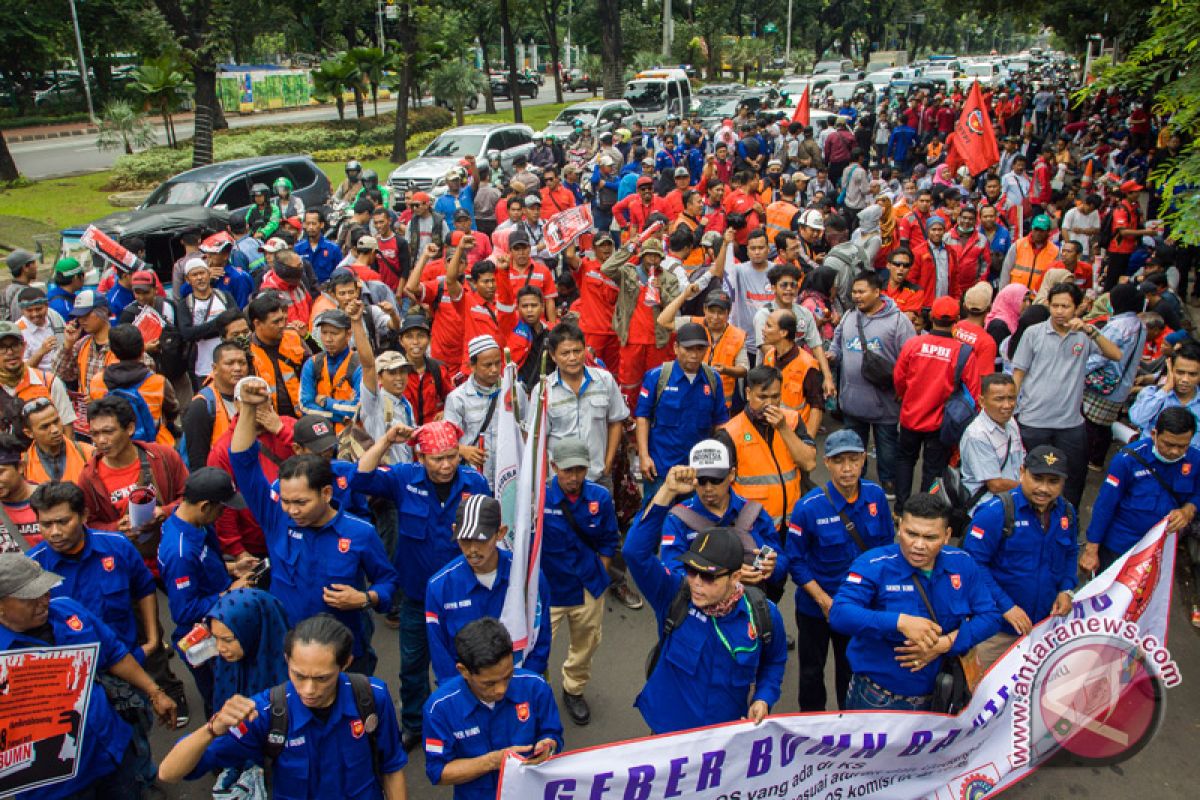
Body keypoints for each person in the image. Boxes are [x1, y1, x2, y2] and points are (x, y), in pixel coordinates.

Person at [230, 377, 398, 676]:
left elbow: (387, 583)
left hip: (347, 655)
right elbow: (243, 461)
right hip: (290, 653)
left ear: (326, 494)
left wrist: (365, 599)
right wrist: (246, 408)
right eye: (286, 501)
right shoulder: (275, 517)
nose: (292, 511)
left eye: (301, 503)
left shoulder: (360, 533)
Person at [158, 614, 410, 799]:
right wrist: (212, 729)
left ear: (345, 663)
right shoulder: (264, 713)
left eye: (322, 678)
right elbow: (169, 773)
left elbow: (391, 767)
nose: (309, 690)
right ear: (287, 660)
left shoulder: (369, 697)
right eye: (299, 675)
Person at [352, 420, 489, 749]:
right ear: (420, 458)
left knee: (465, 663)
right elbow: (361, 477)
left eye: (452, 456)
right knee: (412, 666)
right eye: (437, 458)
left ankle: (463, 721)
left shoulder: (475, 483)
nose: (445, 465)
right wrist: (386, 439)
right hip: (416, 598)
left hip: (463, 596)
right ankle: (414, 722)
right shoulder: (403, 479)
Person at [623, 464, 787, 734]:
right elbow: (634, 552)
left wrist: (763, 697)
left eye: (709, 577)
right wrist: (666, 492)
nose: (696, 584)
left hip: (723, 742)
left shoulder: (763, 615)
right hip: (666, 737)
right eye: (692, 571)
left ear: (735, 577)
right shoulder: (674, 594)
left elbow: (775, 660)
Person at [0, 554, 177, 800]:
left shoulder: (66, 609)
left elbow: (114, 653)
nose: (43, 602)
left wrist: (155, 692)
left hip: (113, 753)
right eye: (30, 598)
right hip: (56, 787)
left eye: (45, 590)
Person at [830, 493, 1001, 710]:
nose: (919, 545)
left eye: (930, 537)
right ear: (900, 527)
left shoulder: (962, 564)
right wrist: (900, 622)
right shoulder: (873, 564)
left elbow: (991, 616)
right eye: (911, 534)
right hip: (878, 700)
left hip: (940, 700)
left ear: (947, 535)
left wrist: (944, 644)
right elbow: (840, 614)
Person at [787, 429, 894, 711]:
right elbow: (795, 561)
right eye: (839, 461)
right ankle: (811, 727)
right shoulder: (808, 507)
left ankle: (848, 727)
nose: (847, 469)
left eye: (853, 460)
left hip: (859, 607)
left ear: (863, 460)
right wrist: (823, 600)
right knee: (811, 672)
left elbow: (886, 550)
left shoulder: (876, 497)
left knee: (852, 669)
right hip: (816, 608)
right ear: (827, 463)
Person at [963, 446, 1079, 668]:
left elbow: (1071, 551)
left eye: (1053, 482)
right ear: (1022, 472)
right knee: (981, 693)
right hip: (996, 631)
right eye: (1037, 478)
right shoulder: (995, 513)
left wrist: (1066, 589)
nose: (1043, 488)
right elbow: (973, 565)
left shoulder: (1067, 513)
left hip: (1044, 629)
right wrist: (1006, 606)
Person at [423, 617, 563, 800]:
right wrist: (493, 761)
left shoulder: (536, 687)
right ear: (464, 671)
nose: (501, 690)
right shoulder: (439, 709)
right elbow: (439, 772)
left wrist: (548, 746)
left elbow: (553, 735)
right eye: (489, 684)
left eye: (508, 676)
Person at [1012, 282, 1123, 508]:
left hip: (1070, 425)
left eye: (1065, 306)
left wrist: (1090, 331)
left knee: (1072, 481)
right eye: (1055, 306)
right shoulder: (1033, 333)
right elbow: (1018, 374)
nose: (1059, 311)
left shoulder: (1084, 335)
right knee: (1030, 479)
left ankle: (1066, 522)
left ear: (1078, 307)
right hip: (1034, 421)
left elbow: (1116, 354)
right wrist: (1012, 410)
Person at [426, 494, 551, 682]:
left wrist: (522, 684)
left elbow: (540, 638)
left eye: (481, 539)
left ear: (500, 533)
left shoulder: (529, 579)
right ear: (454, 530)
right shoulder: (439, 587)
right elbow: (440, 655)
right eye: (465, 540)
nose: (473, 549)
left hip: (518, 686)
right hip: (466, 694)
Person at [157, 468, 255, 706]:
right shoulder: (180, 552)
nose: (223, 514)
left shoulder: (197, 524)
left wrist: (233, 568)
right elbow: (184, 611)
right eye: (221, 508)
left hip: (223, 620)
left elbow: (204, 567)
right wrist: (229, 592)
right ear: (204, 506)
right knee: (222, 700)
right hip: (203, 640)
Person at [541, 437, 618, 725]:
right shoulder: (539, 497)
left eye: (580, 470)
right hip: (549, 590)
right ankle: (535, 693)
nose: (574, 478)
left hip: (588, 586)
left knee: (586, 644)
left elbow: (610, 540)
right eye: (567, 470)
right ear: (553, 467)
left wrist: (600, 571)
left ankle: (573, 689)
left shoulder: (600, 497)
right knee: (537, 647)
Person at [656, 439, 786, 601]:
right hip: (700, 611)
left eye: (716, 480)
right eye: (701, 481)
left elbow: (781, 559)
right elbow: (672, 573)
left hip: (751, 606)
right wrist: (727, 580)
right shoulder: (677, 519)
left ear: (731, 474)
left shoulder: (754, 512)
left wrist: (771, 568)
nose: (708, 488)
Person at [1083, 407, 1200, 582]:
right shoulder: (1127, 460)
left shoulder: (1195, 460)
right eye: (1168, 444)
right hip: (1120, 546)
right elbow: (1105, 506)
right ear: (1154, 434)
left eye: (1182, 446)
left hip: (1159, 549)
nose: (1175, 451)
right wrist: (1091, 550)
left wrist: (1188, 510)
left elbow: (1197, 493)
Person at [892, 295, 982, 512]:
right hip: (941, 424)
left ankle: (901, 509)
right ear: (957, 320)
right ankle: (923, 511)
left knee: (905, 461)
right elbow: (974, 392)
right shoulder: (963, 352)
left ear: (931, 317)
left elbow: (898, 378)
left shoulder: (913, 344)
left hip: (910, 417)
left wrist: (904, 396)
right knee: (933, 470)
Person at [830, 271, 916, 496]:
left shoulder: (898, 321)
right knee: (854, 446)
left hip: (885, 403)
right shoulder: (850, 315)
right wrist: (829, 356)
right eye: (854, 292)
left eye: (861, 292)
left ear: (877, 292)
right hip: (852, 402)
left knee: (887, 447)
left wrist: (904, 389)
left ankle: (888, 482)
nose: (856, 296)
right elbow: (837, 343)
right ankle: (858, 481)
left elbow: (911, 359)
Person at [634, 322, 729, 499]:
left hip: (699, 472)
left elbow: (720, 423)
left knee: (695, 522)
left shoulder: (713, 380)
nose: (694, 355)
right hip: (661, 470)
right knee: (655, 519)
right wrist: (644, 456)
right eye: (688, 349)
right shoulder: (657, 377)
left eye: (700, 349)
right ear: (676, 348)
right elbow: (642, 417)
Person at [87, 323, 179, 447]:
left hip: (110, 448)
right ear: (142, 348)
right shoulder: (159, 382)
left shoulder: (97, 382)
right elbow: (173, 411)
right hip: (153, 449)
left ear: (112, 351)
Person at [444, 335, 505, 488]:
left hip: (506, 477)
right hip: (473, 477)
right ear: (472, 366)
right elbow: (447, 441)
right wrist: (463, 450)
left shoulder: (513, 391)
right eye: (487, 365)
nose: (494, 369)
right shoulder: (457, 398)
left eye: (498, 363)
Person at [0, 320, 76, 440]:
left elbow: (68, 432)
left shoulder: (49, 382)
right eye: (2, 347)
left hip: (45, 457)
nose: (10, 352)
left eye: (14, 345)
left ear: (24, 346)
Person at [180, 342, 248, 470]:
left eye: (242, 363)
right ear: (214, 368)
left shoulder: (252, 398)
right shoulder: (201, 406)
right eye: (230, 363)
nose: (238, 368)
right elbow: (197, 460)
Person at [247, 292, 310, 418]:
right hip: (269, 420)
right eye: (276, 322)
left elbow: (315, 368)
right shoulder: (246, 351)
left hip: (302, 414)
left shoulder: (294, 337)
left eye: (283, 319)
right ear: (257, 323)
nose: (282, 325)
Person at [299, 309, 362, 431]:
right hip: (321, 437)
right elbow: (304, 406)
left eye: (334, 333)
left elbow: (359, 410)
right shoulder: (312, 363)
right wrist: (338, 415)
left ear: (348, 335)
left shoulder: (358, 365)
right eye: (324, 332)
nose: (328, 339)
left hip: (352, 438)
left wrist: (324, 402)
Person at [1131, 341, 1200, 445]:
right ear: (1170, 369)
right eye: (1180, 373)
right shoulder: (1152, 394)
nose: (1185, 379)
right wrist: (1166, 388)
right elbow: (1137, 419)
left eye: (1192, 374)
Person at [21, 397, 93, 485]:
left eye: (56, 421)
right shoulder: (23, 466)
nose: (55, 430)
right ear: (29, 433)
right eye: (45, 427)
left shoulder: (89, 453)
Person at [999, 214, 1061, 292]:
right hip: (1015, 295)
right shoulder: (1018, 245)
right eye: (1036, 229)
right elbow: (1006, 271)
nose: (1038, 233)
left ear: (1048, 231)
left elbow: (1055, 279)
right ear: (1031, 228)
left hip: (1038, 298)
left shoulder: (1055, 251)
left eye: (1041, 230)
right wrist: (1002, 293)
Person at [955, 282, 998, 375]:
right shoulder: (987, 343)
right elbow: (983, 378)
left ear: (964, 306)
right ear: (989, 308)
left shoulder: (954, 327)